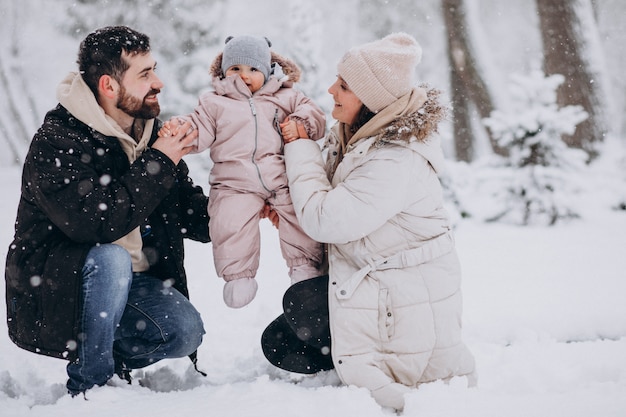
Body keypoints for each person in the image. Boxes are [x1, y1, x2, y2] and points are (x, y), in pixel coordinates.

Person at [261, 33, 477, 411]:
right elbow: (327, 195)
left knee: (300, 309)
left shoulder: (395, 159)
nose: (331, 90)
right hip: (382, 285)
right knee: (281, 340)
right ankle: (349, 351)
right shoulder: (356, 139)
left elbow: (326, 219)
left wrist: (298, 146)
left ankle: (388, 361)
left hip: (404, 303)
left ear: (372, 101)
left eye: (343, 86)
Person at [4, 25, 211, 397]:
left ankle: (108, 356)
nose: (159, 82)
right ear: (109, 86)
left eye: (155, 69)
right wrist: (160, 160)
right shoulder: (59, 140)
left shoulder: (149, 134)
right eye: (145, 74)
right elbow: (97, 224)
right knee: (111, 259)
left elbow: (195, 217)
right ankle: (92, 385)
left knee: (183, 331)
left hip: (133, 283)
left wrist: (248, 198)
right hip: (57, 290)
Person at [159, 35, 326, 309]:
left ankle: (304, 267)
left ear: (268, 70)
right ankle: (238, 275)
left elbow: (315, 115)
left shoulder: (287, 96)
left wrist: (300, 122)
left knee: (299, 214)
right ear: (224, 71)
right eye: (235, 69)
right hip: (234, 181)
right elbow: (199, 127)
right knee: (228, 221)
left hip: (280, 177)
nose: (244, 76)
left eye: (252, 69)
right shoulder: (214, 103)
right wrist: (180, 129)